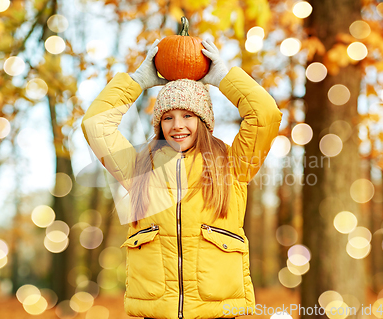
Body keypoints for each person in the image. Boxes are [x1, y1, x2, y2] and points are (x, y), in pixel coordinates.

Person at [82, 39, 282, 319]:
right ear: (159, 124)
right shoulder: (140, 168)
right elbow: (95, 124)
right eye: (168, 117)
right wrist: (137, 81)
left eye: (188, 115)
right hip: (156, 314)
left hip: (218, 314)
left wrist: (224, 78)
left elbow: (265, 115)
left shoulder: (232, 165)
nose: (177, 125)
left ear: (203, 121)